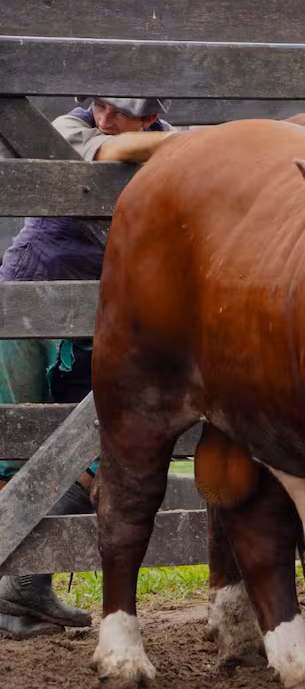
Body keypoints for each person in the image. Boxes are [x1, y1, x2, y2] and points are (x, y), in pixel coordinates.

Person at [0, 97, 177, 639]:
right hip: (28, 303)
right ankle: (20, 589)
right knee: (18, 446)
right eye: (99, 104)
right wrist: (199, 142)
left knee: (92, 451)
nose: (102, 117)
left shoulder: (161, 137)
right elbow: (112, 151)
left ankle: (23, 587)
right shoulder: (66, 127)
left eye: (117, 110)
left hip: (99, 314)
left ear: (150, 115)